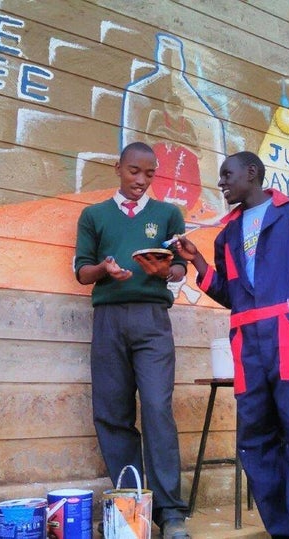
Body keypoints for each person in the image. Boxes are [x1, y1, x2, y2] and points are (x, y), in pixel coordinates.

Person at [175, 151, 289, 538]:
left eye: (228, 175)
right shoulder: (226, 235)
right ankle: (284, 531)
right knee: (255, 442)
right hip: (248, 344)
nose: (221, 183)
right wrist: (200, 265)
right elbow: (233, 294)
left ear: (252, 173)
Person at [73, 142, 190, 539]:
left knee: (157, 408)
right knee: (112, 412)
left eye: (149, 174)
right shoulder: (94, 216)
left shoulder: (168, 214)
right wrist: (104, 269)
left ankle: (171, 513)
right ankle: (129, 505)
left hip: (152, 321)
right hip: (108, 320)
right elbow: (82, 272)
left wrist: (164, 272)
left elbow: (179, 268)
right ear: (118, 168)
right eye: (133, 171)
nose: (141, 180)